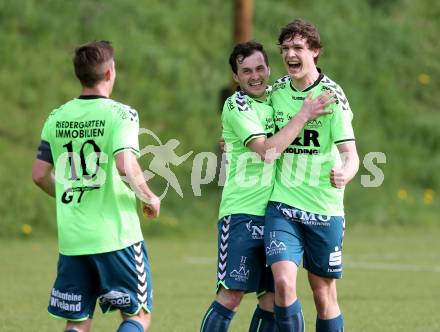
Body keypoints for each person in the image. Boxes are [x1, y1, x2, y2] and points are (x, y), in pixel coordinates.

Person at [200, 41, 334, 332]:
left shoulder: (275, 97)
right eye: (245, 71)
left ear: (269, 69)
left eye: (260, 68)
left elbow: (308, 81)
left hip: (278, 213)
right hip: (242, 213)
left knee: (274, 298)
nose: (255, 75)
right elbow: (268, 152)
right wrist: (303, 116)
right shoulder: (238, 105)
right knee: (232, 294)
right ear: (236, 77)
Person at [32, 40, 160, 332]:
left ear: (79, 75)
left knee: (77, 322)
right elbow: (124, 163)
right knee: (137, 316)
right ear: (110, 73)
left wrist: (66, 193)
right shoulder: (121, 114)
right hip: (117, 238)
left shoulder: (57, 117)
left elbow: (39, 174)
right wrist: (149, 196)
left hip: (73, 240)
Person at [264, 19, 359, 332]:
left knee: (323, 294)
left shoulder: (332, 97)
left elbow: (351, 155)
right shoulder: (275, 92)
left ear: (315, 52)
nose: (291, 54)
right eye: (286, 48)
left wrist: (344, 173)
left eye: (298, 48)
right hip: (282, 205)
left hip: (324, 208)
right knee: (282, 284)